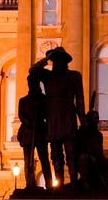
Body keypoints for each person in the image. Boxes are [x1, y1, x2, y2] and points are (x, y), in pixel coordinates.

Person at [29, 46, 85, 187]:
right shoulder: (47, 76)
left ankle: (73, 181)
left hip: (68, 115)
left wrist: (82, 118)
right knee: (55, 154)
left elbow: (79, 99)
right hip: (52, 117)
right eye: (54, 60)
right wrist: (46, 59)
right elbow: (32, 71)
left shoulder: (74, 76)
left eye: (59, 60)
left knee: (71, 152)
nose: (56, 63)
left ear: (65, 62)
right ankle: (59, 183)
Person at [17, 73, 53, 190]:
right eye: (30, 83)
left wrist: (40, 124)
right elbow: (21, 116)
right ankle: (30, 184)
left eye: (34, 83)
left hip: (40, 132)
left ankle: (49, 184)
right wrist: (29, 123)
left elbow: (48, 116)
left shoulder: (43, 100)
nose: (32, 85)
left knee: (44, 160)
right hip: (28, 133)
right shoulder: (23, 101)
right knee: (28, 162)